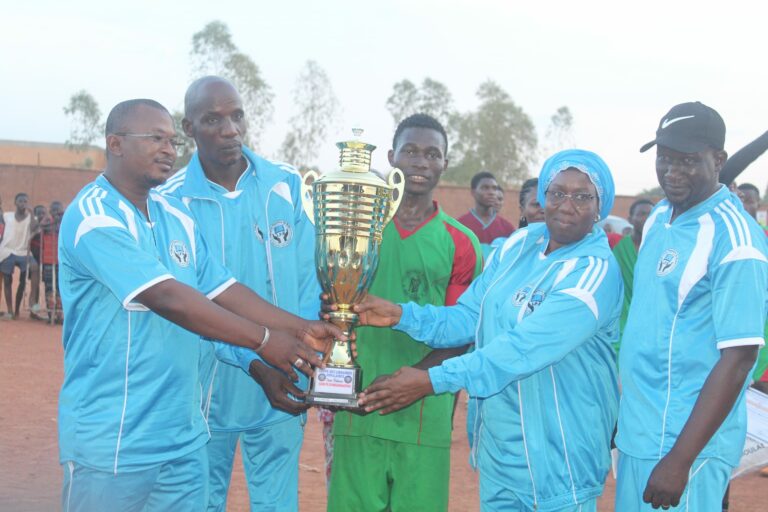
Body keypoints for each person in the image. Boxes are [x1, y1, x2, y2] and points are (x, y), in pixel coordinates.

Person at [58, 98, 343, 511]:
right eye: (155, 138)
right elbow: (170, 298)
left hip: (184, 438)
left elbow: (226, 290)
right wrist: (264, 341)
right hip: (114, 441)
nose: (168, 149)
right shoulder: (95, 217)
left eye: (172, 140)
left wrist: (300, 329)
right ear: (115, 144)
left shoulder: (175, 216)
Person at [346, 149, 623, 511]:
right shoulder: (520, 245)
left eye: (582, 196)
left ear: (599, 207)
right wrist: (399, 315)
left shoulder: (593, 271)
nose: (566, 205)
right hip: (500, 453)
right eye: (556, 193)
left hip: (559, 458)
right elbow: (467, 318)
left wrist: (430, 380)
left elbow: (520, 350)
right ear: (543, 196)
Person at [158, 76, 318, 511]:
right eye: (212, 119)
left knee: (277, 502)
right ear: (189, 128)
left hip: (286, 377)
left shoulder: (285, 184)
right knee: (200, 501)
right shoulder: (167, 202)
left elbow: (310, 278)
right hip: (203, 388)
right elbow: (187, 305)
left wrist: (303, 354)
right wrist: (253, 359)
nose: (230, 129)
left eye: (236, 115)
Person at [326, 113, 483, 512]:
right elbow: (328, 307)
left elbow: (464, 329)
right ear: (393, 156)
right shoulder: (354, 227)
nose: (420, 162)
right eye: (411, 151)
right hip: (358, 402)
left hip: (423, 407)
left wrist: (417, 381)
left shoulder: (461, 242)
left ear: (445, 164)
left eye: (432, 154)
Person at [615, 102, 767, 511]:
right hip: (639, 434)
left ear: (717, 160)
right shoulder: (661, 215)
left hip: (684, 448)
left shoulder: (736, 242)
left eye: (687, 161)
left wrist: (680, 460)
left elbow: (739, 358)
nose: (671, 171)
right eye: (664, 158)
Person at [611, 198, 654, 352]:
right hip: (622, 322)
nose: (647, 218)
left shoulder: (662, 248)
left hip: (654, 324)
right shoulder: (618, 248)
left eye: (651, 214)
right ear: (630, 219)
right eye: (642, 214)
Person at [458, 171, 515, 258]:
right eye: (485, 188)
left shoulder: (507, 228)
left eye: (494, 188)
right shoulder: (459, 226)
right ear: (473, 192)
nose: (491, 192)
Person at [0, 192, 38, 319]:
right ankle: (10, 311)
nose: (23, 204)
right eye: (20, 201)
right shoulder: (6, 216)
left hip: (23, 252)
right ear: (15, 203)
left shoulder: (32, 218)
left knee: (34, 267)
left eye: (25, 202)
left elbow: (34, 229)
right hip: (8, 250)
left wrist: (32, 214)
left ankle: (32, 301)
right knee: (7, 279)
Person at [40, 201, 64, 324]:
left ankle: (59, 314)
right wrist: (53, 220)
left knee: (60, 288)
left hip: (61, 262)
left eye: (58, 211)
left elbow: (61, 228)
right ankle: (50, 314)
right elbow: (42, 227)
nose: (56, 213)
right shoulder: (47, 223)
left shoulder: (64, 224)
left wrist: (60, 219)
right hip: (48, 261)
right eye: (53, 211)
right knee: (49, 287)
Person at [27, 203, 46, 320]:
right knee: (35, 282)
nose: (41, 216)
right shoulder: (32, 227)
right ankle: (33, 305)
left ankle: (35, 309)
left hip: (45, 260)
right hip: (33, 258)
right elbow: (27, 244)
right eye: (38, 214)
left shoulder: (48, 226)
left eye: (43, 213)